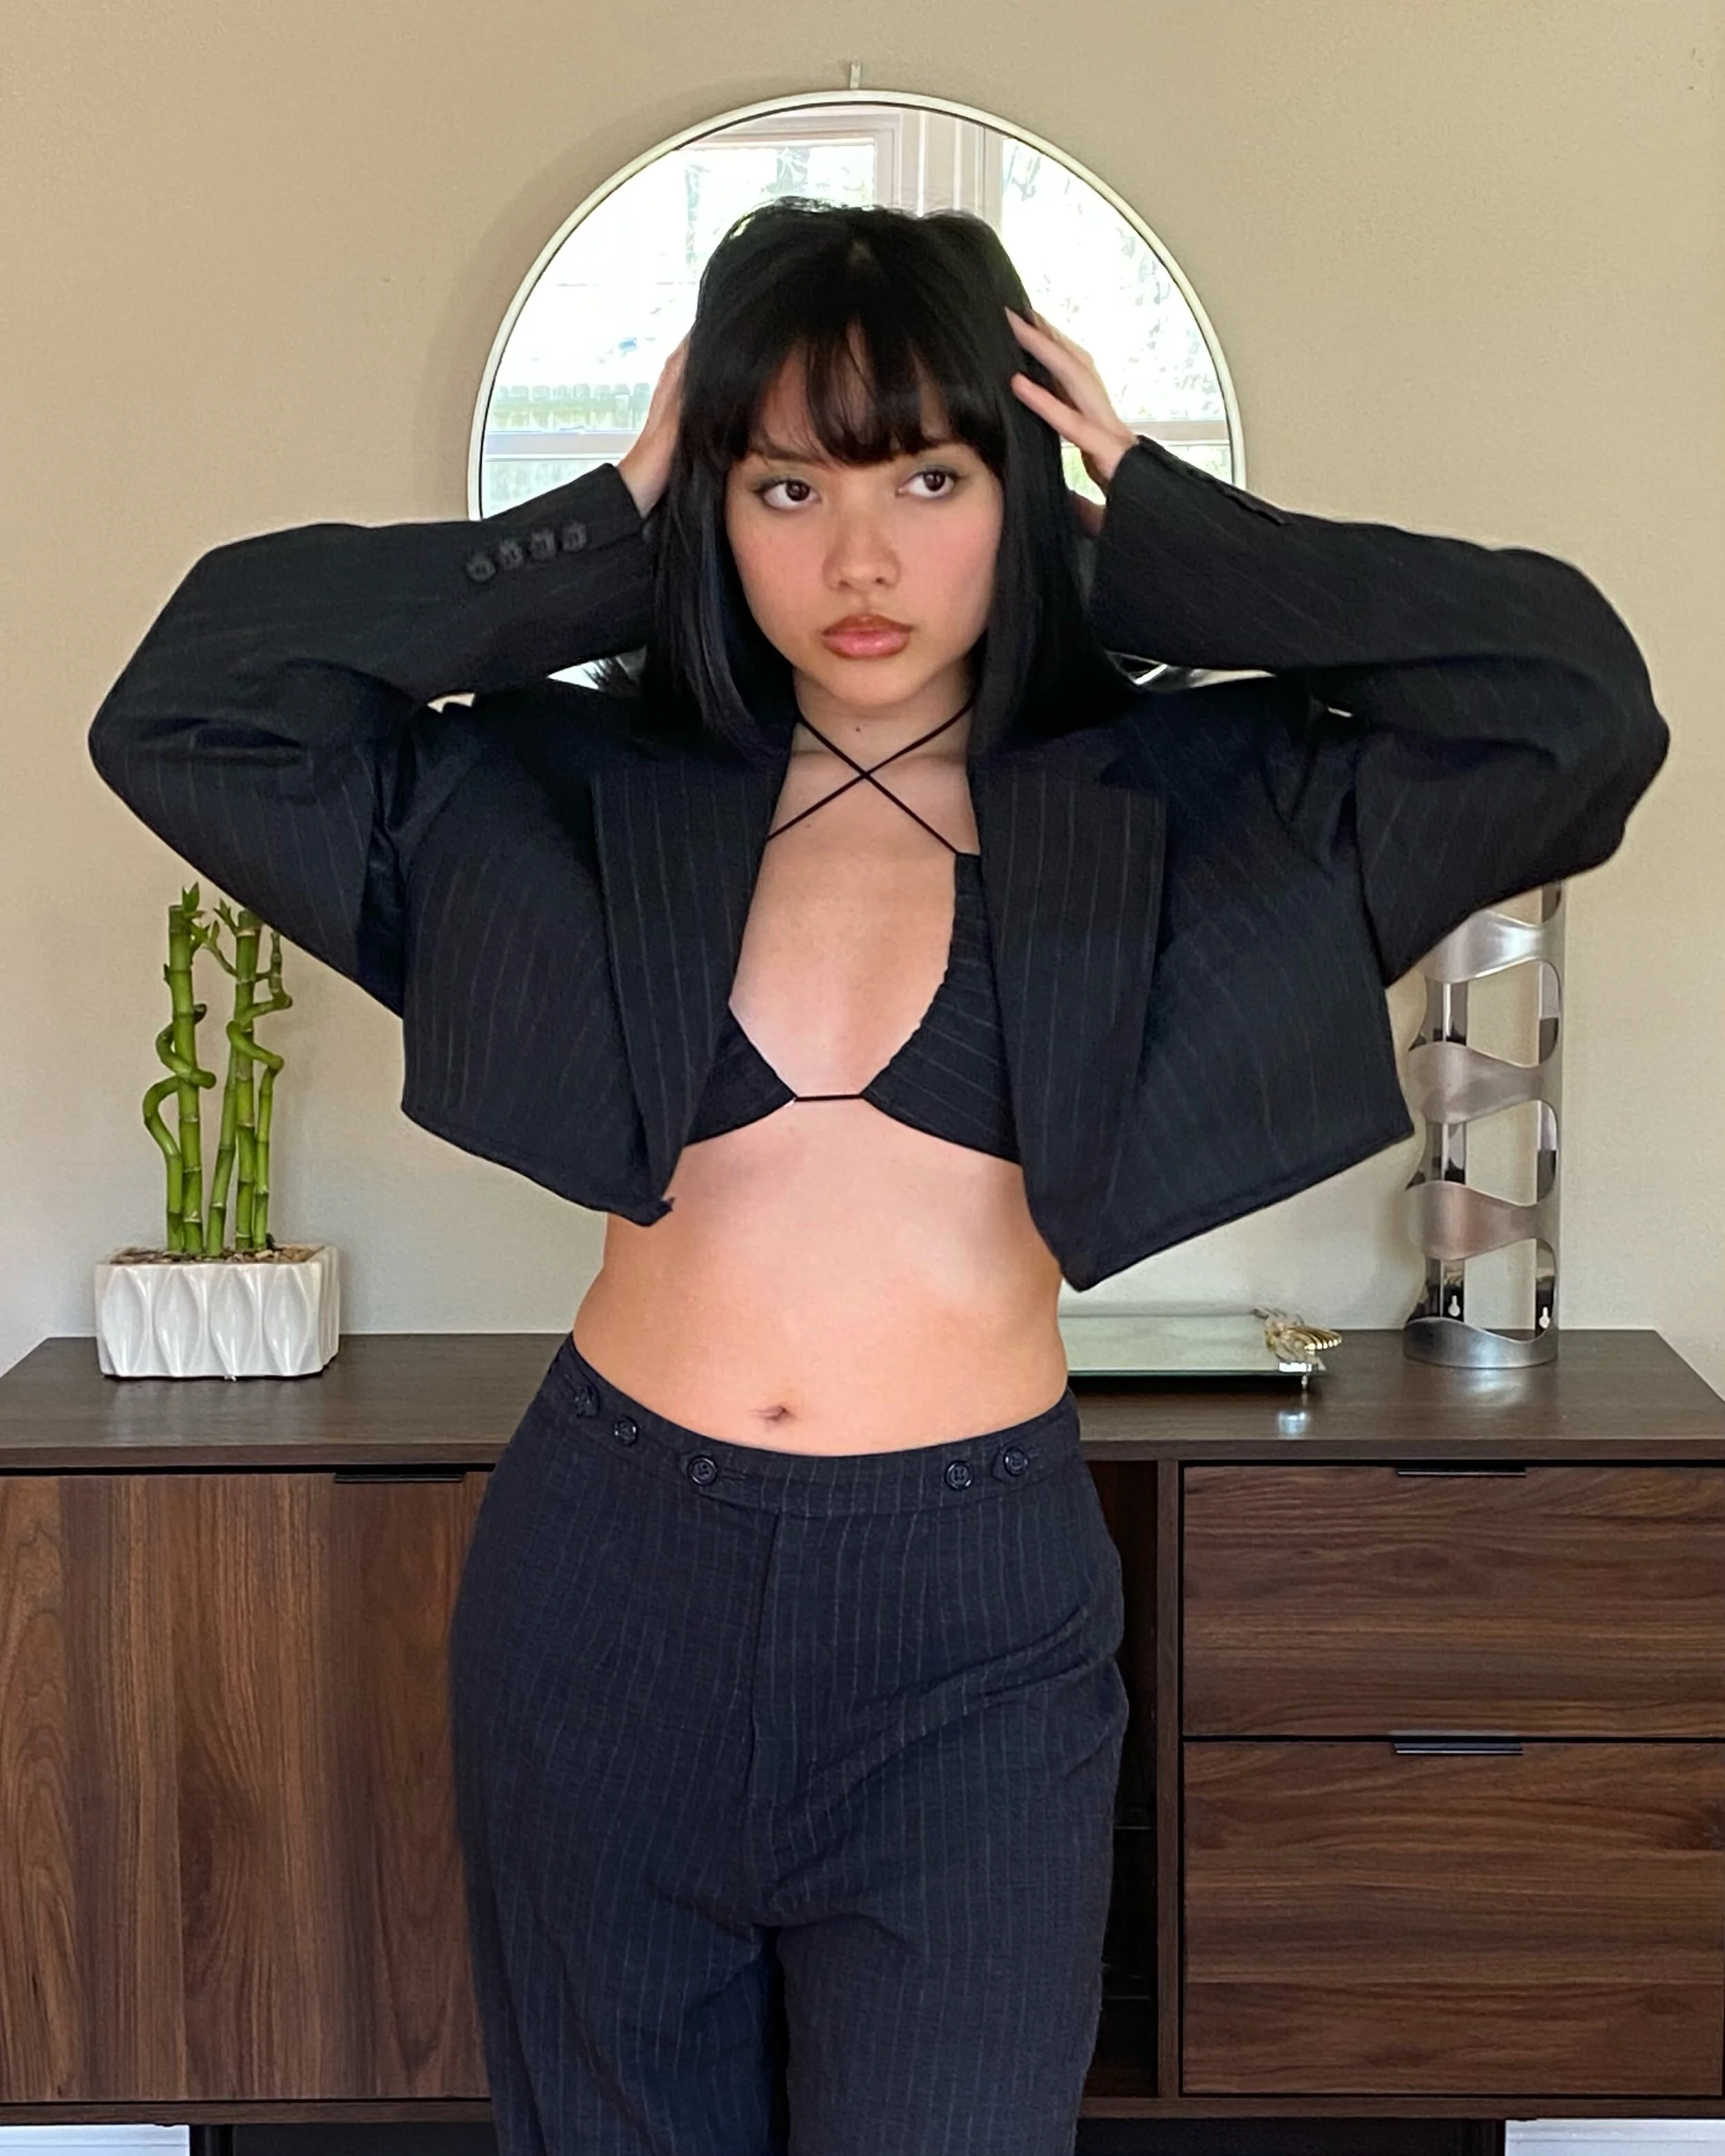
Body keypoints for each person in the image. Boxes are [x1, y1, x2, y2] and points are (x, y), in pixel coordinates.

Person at [86, 198, 1668, 2155]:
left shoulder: (1199, 812)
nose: (859, 561)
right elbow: (190, 706)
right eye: (783, 486)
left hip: (969, 1627)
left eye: (929, 478)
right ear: (712, 499)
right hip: (605, 1589)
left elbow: (1572, 708)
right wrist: (603, 523)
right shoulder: (559, 796)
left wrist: (1163, 528)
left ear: (1016, 483)